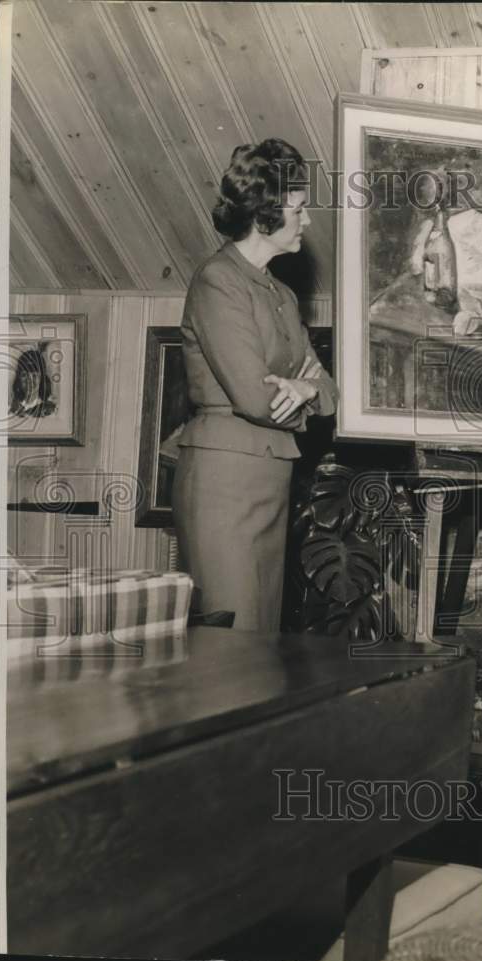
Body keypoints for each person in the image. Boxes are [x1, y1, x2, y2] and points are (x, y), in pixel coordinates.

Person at [173, 138, 338, 632]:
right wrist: (296, 389)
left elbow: (327, 389)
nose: (306, 221)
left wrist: (307, 390)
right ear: (266, 216)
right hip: (223, 483)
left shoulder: (282, 294)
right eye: (298, 209)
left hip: (270, 479)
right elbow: (256, 398)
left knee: (260, 642)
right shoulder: (217, 281)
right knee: (230, 643)